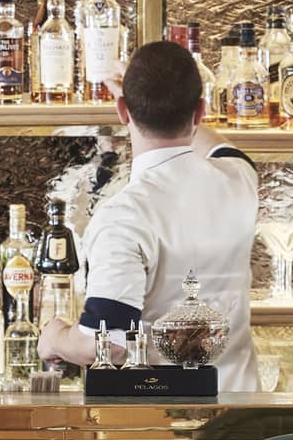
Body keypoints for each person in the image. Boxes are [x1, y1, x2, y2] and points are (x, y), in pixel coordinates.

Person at [37, 41, 260, 391]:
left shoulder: (123, 218)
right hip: (243, 411)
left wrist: (55, 337)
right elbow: (220, 146)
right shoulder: (240, 178)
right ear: (200, 112)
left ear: (122, 111)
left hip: (163, 416)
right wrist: (165, 98)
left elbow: (108, 345)